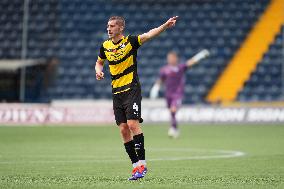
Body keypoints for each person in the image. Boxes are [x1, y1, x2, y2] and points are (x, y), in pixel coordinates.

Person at [95, 15, 178, 180]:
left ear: (120, 28)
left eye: (112, 26)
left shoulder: (130, 42)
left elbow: (148, 35)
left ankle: (143, 163)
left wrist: (164, 26)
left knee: (133, 124)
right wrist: (98, 70)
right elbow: (99, 62)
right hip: (116, 92)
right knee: (123, 130)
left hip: (131, 88)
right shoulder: (105, 46)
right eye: (108, 26)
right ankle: (135, 166)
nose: (108, 29)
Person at [150, 50, 210, 138]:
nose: (170, 59)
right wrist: (155, 88)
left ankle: (173, 129)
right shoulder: (164, 70)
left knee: (173, 110)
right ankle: (175, 128)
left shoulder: (180, 67)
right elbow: (160, 80)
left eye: (171, 58)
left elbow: (191, 62)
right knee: (171, 112)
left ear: (176, 58)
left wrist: (200, 56)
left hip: (177, 94)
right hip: (168, 94)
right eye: (168, 58)